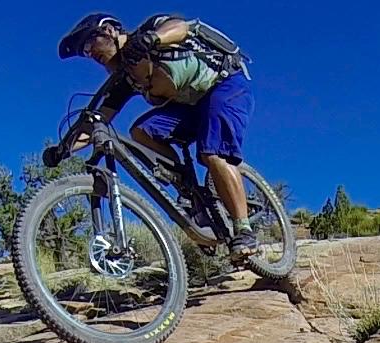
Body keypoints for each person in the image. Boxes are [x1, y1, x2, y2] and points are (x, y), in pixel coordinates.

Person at [45, 13, 258, 259]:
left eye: (91, 43)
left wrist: (152, 39)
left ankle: (244, 230)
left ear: (111, 30)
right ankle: (190, 192)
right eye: (85, 51)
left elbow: (180, 28)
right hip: (190, 107)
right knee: (141, 132)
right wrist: (64, 150)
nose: (90, 52)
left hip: (225, 85)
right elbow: (98, 121)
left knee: (212, 154)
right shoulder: (125, 79)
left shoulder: (149, 30)